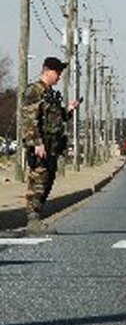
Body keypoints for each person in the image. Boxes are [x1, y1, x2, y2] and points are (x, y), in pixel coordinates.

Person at [21, 57, 80, 235]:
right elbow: (30, 119)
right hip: (40, 146)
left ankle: (37, 218)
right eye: (57, 73)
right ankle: (33, 221)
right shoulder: (34, 91)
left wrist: (68, 110)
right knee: (37, 184)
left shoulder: (50, 94)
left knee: (47, 182)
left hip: (52, 147)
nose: (59, 77)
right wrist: (37, 143)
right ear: (47, 71)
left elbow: (56, 118)